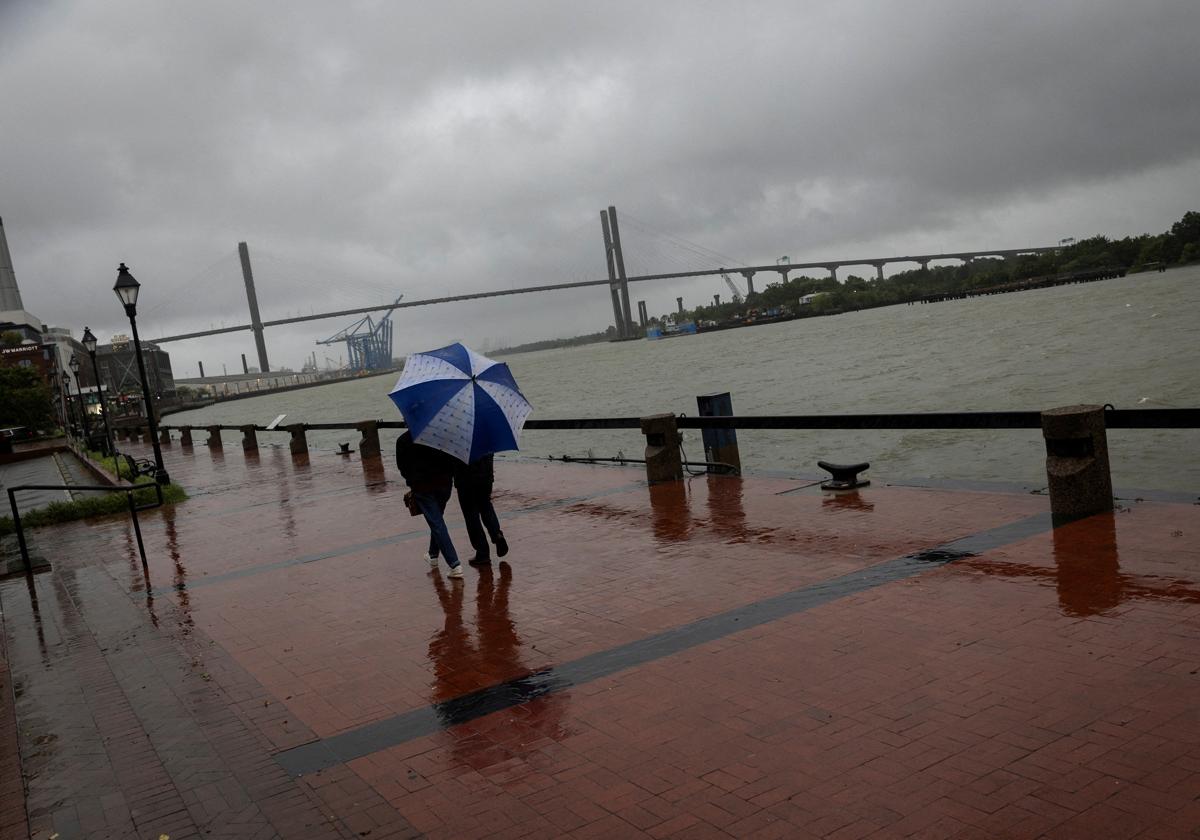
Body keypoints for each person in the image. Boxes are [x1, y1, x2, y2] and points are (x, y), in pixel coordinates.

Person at [396, 430, 463, 579]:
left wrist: (413, 479)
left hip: (423, 488)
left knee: (437, 523)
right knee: (437, 520)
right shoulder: (440, 435)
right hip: (444, 485)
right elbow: (452, 458)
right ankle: (433, 554)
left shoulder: (403, 441)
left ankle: (454, 564)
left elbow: (402, 468)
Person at [453, 453, 508, 566]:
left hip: (465, 480)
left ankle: (482, 552)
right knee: (486, 505)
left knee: (471, 515)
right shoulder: (486, 436)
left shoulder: (460, 438)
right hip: (486, 477)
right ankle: (496, 534)